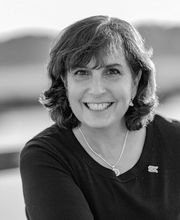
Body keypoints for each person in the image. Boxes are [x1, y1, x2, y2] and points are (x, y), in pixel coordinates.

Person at [20, 15, 180, 220]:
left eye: (112, 71)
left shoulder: (175, 140)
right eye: (81, 72)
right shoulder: (45, 156)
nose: (96, 90)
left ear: (136, 80)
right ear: (65, 82)